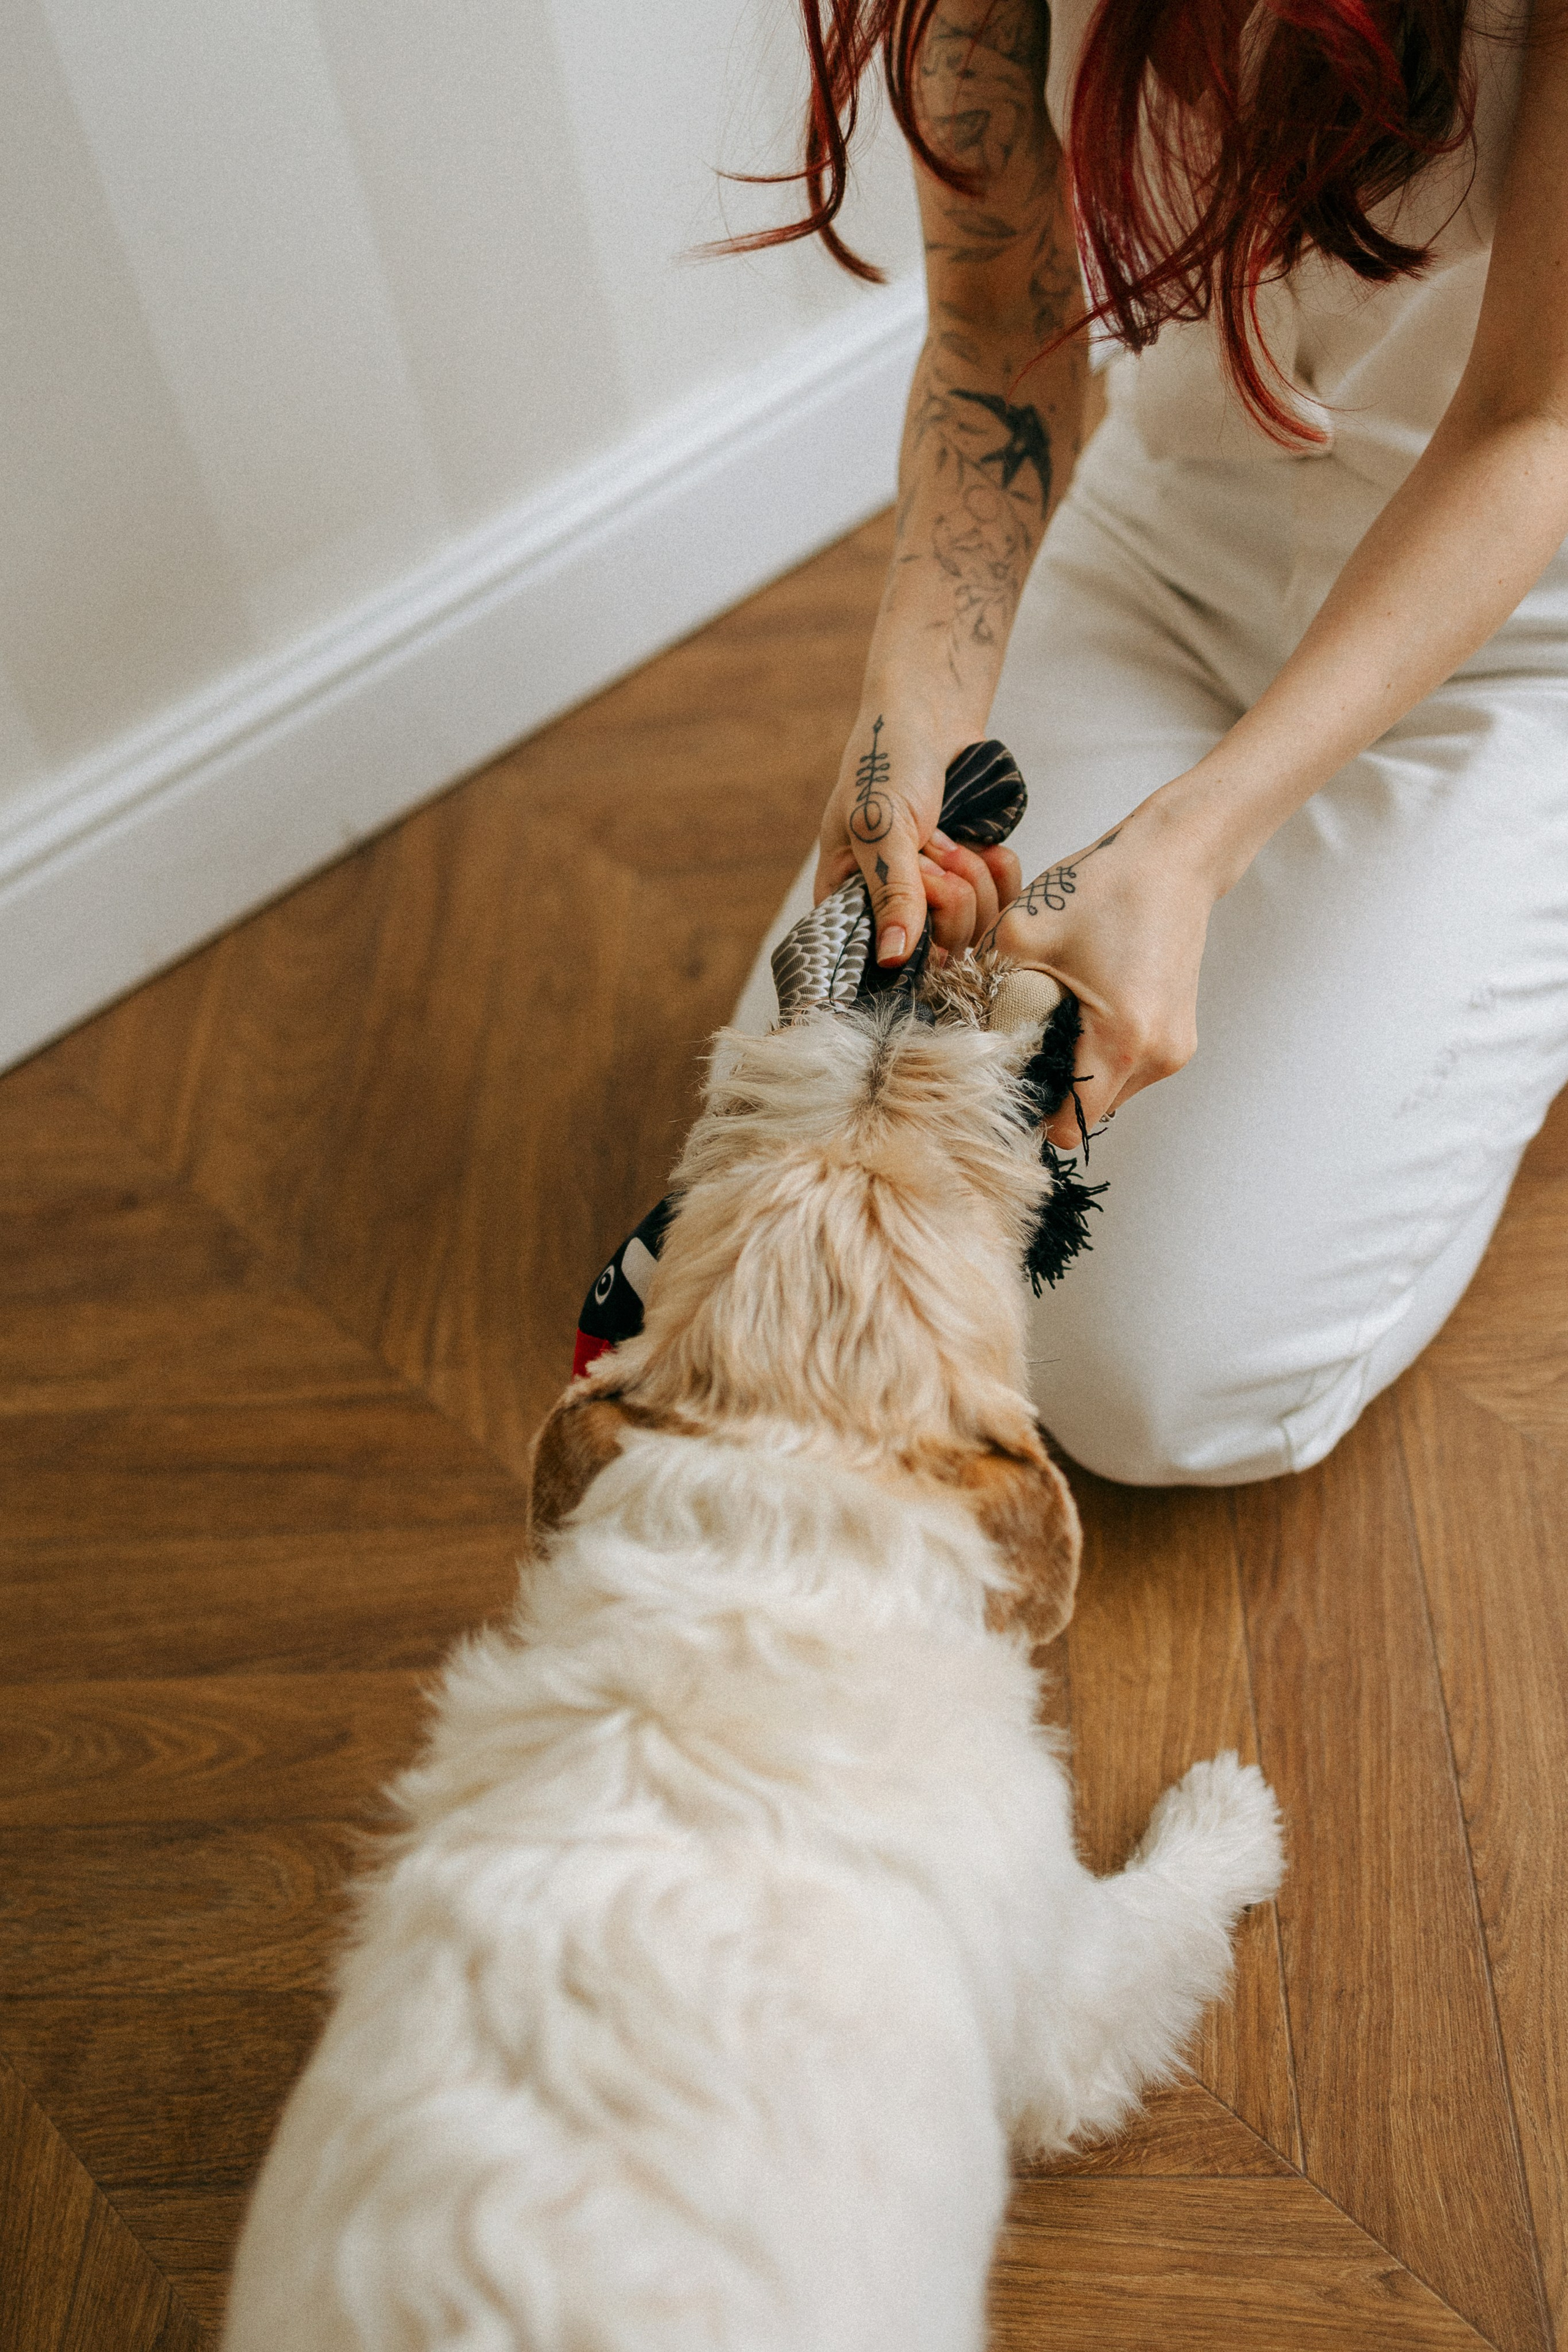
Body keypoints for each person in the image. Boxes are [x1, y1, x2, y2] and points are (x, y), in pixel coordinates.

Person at [731, 0, 1568, 1485]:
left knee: (1155, 1386)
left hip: (1513, 634)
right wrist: (901, 733)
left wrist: (1186, 848)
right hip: (1172, 533)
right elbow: (994, 342)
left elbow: (1530, 422)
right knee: (786, 1126)